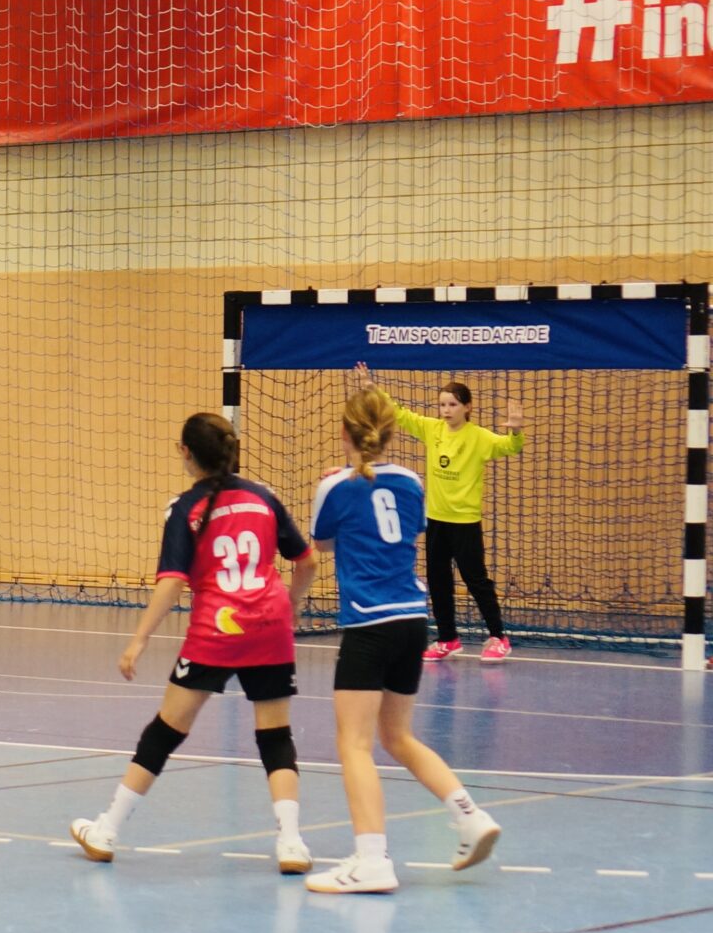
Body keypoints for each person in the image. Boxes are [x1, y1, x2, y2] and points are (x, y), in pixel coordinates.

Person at [69, 414, 317, 871]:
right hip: (269, 624)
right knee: (275, 735)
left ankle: (106, 830)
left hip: (217, 630)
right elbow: (307, 561)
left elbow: (172, 582)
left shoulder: (185, 509)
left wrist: (139, 640)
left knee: (166, 730)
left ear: (186, 452)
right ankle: (291, 843)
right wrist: (293, 604)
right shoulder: (264, 498)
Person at [303, 388, 502, 895]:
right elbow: (406, 530)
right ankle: (470, 816)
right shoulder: (412, 482)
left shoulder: (335, 487)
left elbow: (322, 544)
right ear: (390, 433)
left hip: (369, 623)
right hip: (412, 620)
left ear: (345, 433)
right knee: (398, 737)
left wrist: (340, 483)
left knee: (354, 744)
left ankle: (371, 860)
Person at [354, 364, 526, 661]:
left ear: (467, 407)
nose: (446, 410)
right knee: (438, 580)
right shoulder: (432, 429)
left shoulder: (479, 437)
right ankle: (448, 638)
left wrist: (516, 429)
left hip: (465, 522)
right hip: (436, 519)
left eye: (453, 405)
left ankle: (499, 637)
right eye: (443, 405)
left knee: (476, 580)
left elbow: (510, 446)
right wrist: (372, 388)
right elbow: (400, 414)